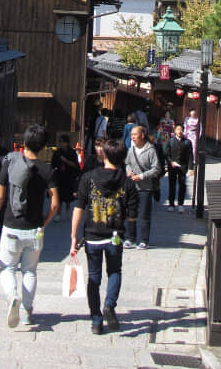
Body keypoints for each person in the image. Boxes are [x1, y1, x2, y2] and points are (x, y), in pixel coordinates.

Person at [0, 124, 60, 328]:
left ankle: (12, 297)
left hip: (11, 225)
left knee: (8, 268)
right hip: (34, 229)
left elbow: (0, 197)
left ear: (24, 143)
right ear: (44, 146)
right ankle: (26, 311)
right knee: (30, 271)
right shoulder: (46, 169)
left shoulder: (9, 163)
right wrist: (44, 221)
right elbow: (55, 203)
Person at [70, 138, 139, 335]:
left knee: (94, 277)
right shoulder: (128, 183)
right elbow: (133, 217)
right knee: (115, 271)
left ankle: (96, 320)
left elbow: (79, 208)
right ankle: (109, 304)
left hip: (92, 235)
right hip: (115, 235)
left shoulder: (88, 178)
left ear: (105, 155)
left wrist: (73, 236)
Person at [124, 126, 160, 249]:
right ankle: (130, 238)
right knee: (130, 213)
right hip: (132, 186)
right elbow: (127, 163)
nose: (133, 136)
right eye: (132, 134)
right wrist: (128, 171)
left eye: (135, 134)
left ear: (142, 135)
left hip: (145, 187)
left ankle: (143, 239)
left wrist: (142, 176)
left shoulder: (151, 150)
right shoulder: (131, 149)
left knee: (144, 214)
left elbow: (156, 169)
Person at [51, 134, 80, 221]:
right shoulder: (57, 152)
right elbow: (53, 165)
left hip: (69, 176)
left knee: (68, 197)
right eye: (60, 142)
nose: (61, 144)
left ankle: (67, 212)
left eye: (62, 142)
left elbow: (75, 165)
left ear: (67, 143)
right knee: (59, 197)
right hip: (59, 176)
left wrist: (65, 161)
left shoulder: (72, 152)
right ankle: (58, 214)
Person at [165, 124, 193, 212]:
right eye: (178, 129)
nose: (179, 131)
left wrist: (191, 168)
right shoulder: (170, 141)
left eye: (181, 129)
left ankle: (180, 204)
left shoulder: (187, 142)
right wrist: (171, 162)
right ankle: (171, 204)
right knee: (172, 184)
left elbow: (190, 156)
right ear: (175, 131)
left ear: (183, 131)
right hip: (172, 166)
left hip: (182, 166)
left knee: (182, 184)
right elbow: (166, 154)